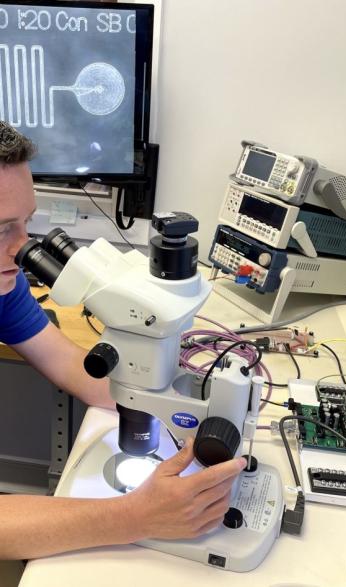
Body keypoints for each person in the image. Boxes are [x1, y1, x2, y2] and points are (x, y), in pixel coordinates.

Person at [0, 122, 245, 572]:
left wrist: (186, 408)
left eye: (27, 224)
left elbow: (75, 368)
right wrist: (135, 517)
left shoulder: (2, 286)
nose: (22, 249)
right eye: (1, 230)